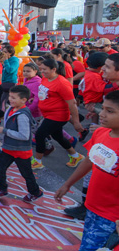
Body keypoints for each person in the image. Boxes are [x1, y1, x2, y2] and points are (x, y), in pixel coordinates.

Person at [55, 91, 119, 251]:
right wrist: (67, 184)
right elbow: (90, 160)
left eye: (110, 111)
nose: (102, 114)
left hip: (112, 217)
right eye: (102, 108)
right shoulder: (100, 133)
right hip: (91, 206)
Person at [0, 85, 43, 203]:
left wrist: (4, 131)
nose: (10, 99)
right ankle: (2, 189)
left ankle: (35, 192)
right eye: (10, 96)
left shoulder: (23, 115)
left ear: (23, 100)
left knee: (26, 173)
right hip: (8, 148)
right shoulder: (10, 109)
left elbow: (24, 136)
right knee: (0, 167)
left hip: (21, 150)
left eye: (14, 98)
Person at [32, 59, 85, 170]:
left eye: (44, 69)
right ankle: (75, 155)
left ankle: (37, 161)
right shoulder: (45, 78)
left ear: (54, 69)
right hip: (48, 114)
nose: (42, 71)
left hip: (58, 116)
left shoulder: (62, 83)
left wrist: (76, 122)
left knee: (40, 134)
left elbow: (72, 104)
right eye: (41, 69)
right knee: (58, 136)